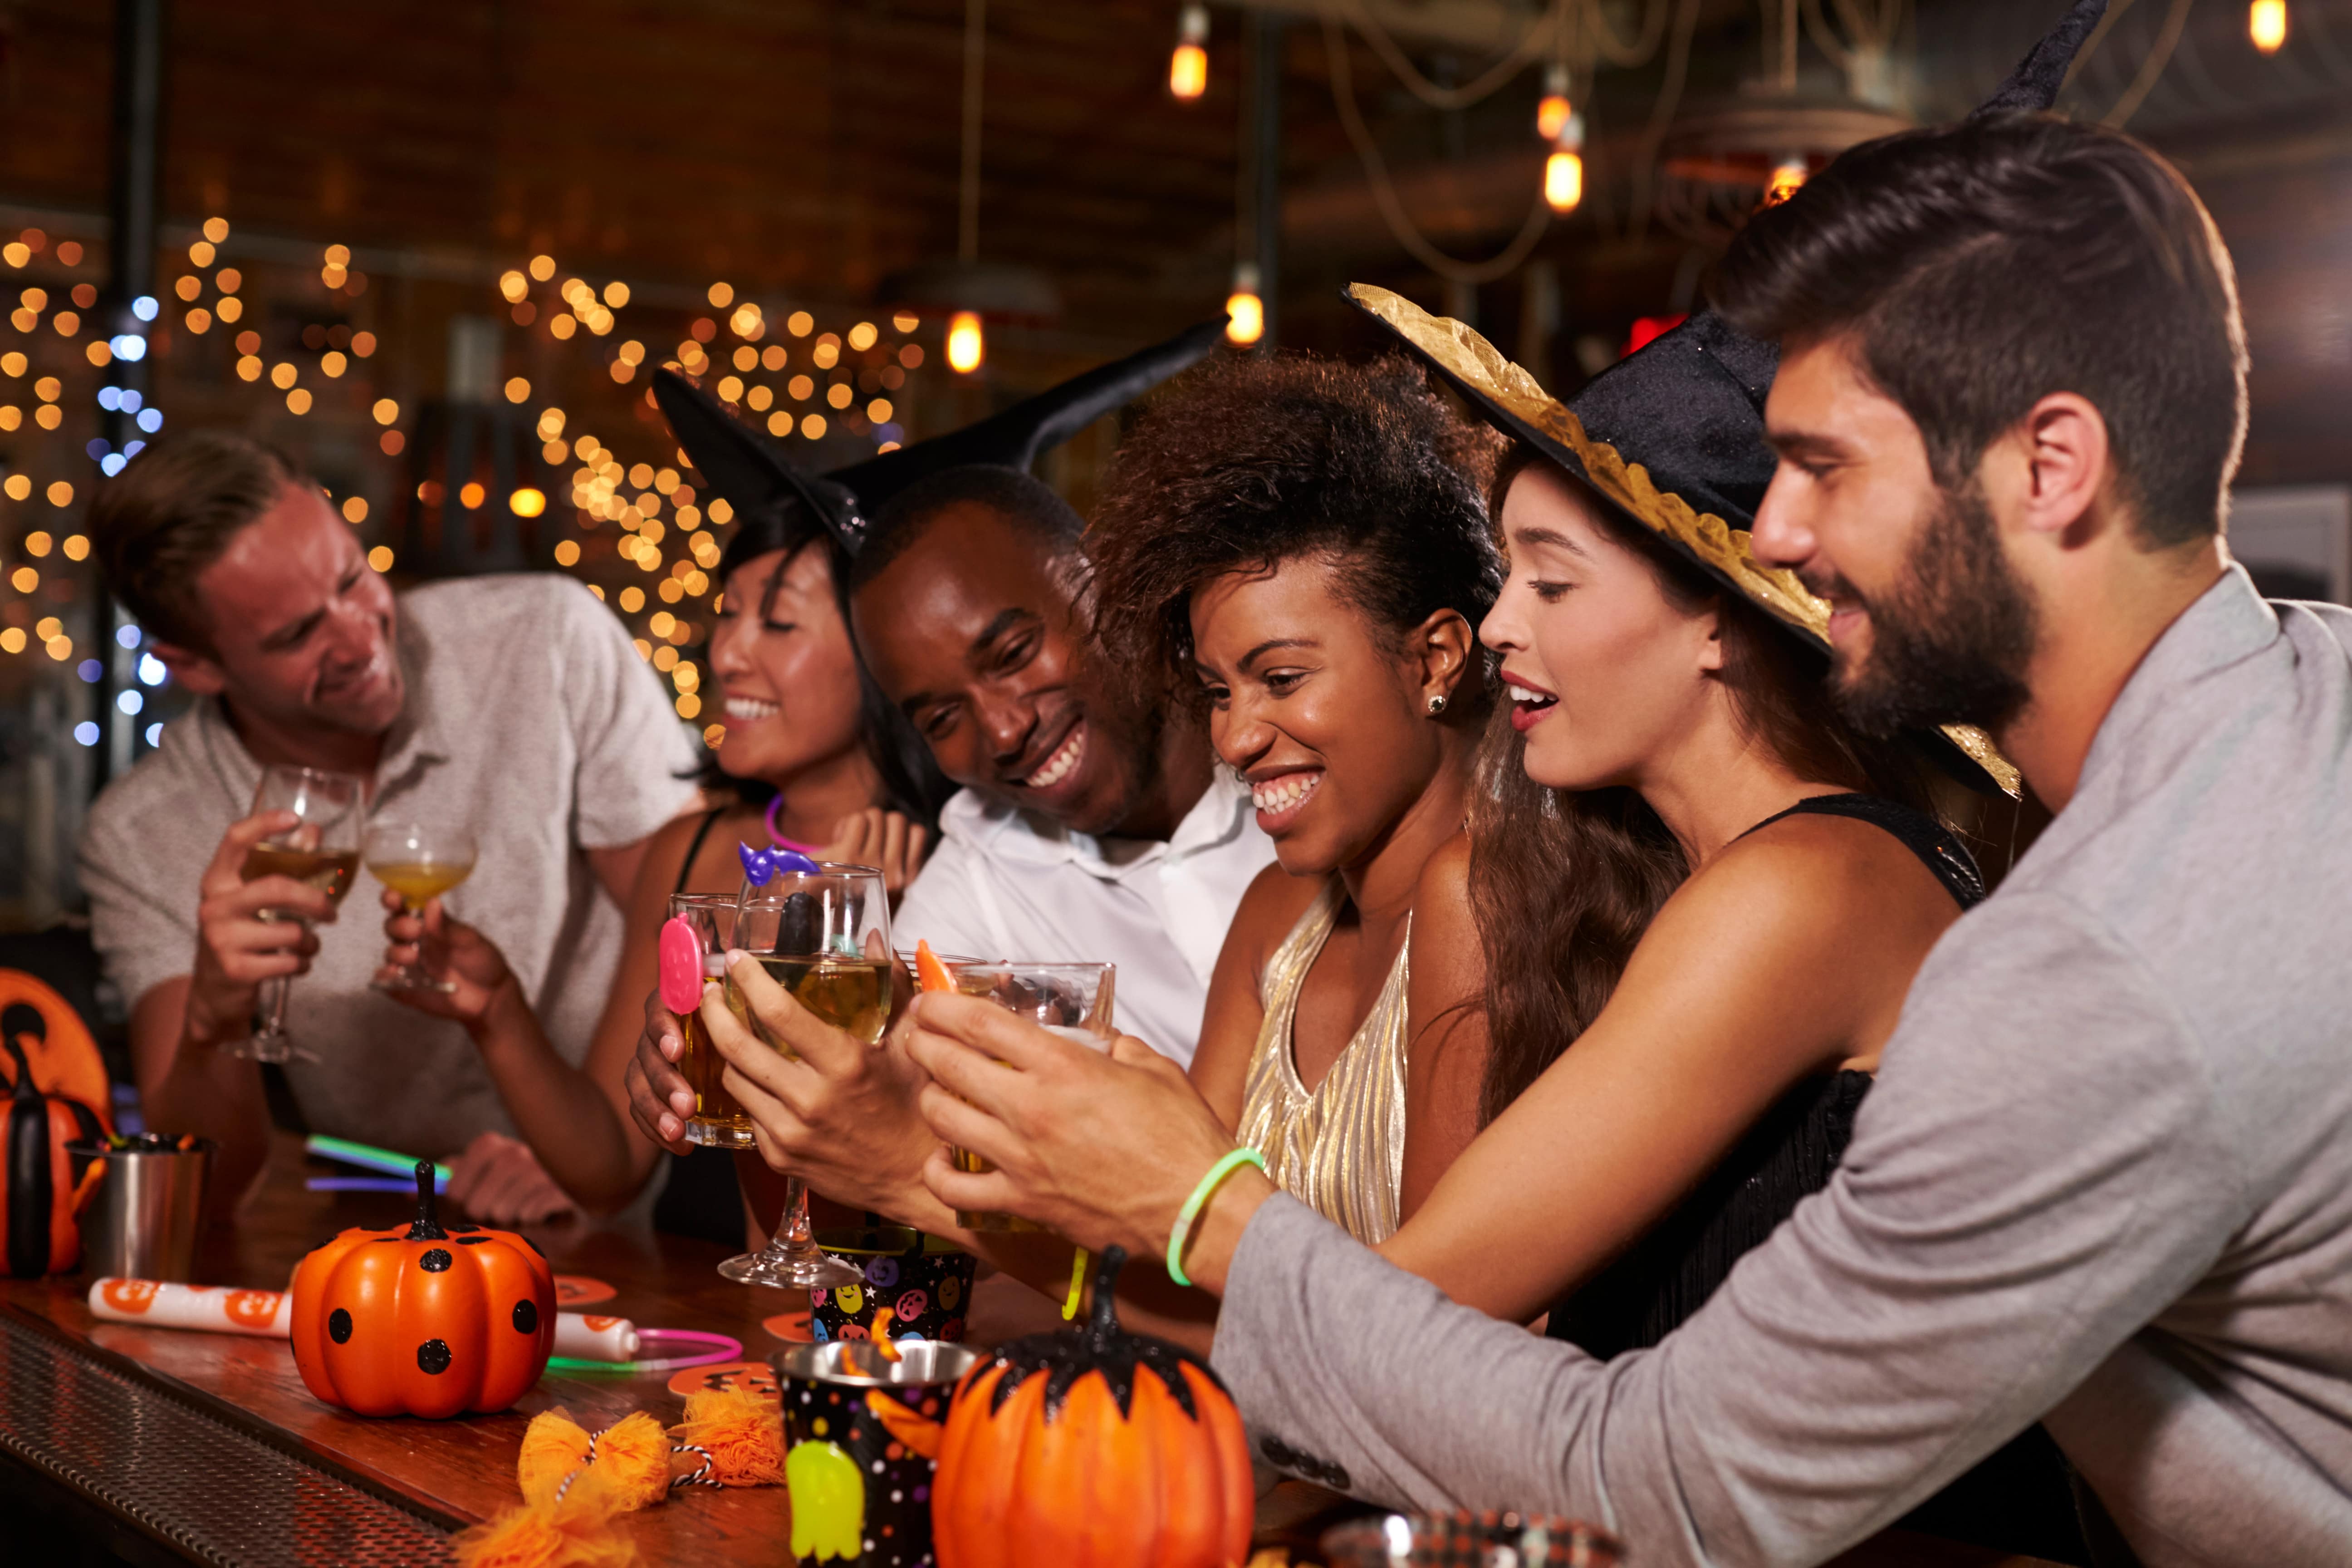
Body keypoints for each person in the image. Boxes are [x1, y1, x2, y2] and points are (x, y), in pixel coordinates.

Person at [900, 74, 2352, 1568]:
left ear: (2050, 466)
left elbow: (1666, 1480)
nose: (1771, 535)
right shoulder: (2303, 695)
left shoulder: (2078, 967)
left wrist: (1186, 1199)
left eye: (1824, 468)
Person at [623, 323, 1281, 1161]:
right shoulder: (979, 872)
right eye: (941, 718)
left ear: (1105, 581)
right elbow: (849, 1189)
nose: (1003, 730)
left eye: (1012, 654)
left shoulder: (1294, 765)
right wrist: (757, 1066)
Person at [78, 432, 700, 1220]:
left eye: (352, 577)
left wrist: (598, 1142)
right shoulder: (145, 830)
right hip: (383, 1235)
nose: (361, 637)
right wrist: (210, 1021)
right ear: (196, 667)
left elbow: (682, 919)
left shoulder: (546, 639)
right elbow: (206, 1191)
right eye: (296, 635)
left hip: (639, 1220)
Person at [370, 486, 952, 1230]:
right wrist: (497, 1013)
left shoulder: (958, 869)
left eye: (777, 623)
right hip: (701, 1313)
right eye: (729, 614)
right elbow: (610, 1165)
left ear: (882, 650)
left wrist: (873, 962)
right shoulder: (695, 852)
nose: (728, 653)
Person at [1077, 352, 1502, 1240]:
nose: (1232, 738)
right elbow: (1170, 1251)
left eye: (1280, 677)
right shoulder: (1277, 921)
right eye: (1219, 690)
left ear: (1435, 659)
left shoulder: (1493, 910)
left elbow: (1429, 1337)